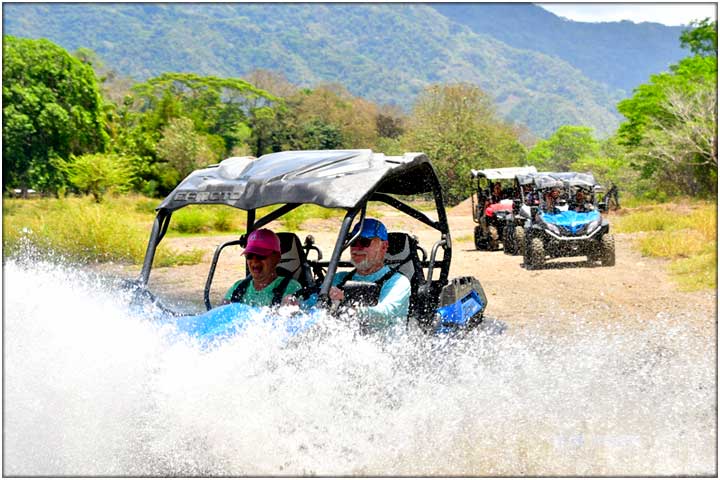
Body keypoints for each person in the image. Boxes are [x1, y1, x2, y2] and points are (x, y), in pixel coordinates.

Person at [289, 218, 411, 332]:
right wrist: (296, 304)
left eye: (364, 242)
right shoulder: (339, 278)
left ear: (384, 246)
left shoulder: (398, 282)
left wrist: (346, 301)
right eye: (353, 242)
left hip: (384, 349)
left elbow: (385, 315)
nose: (356, 248)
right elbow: (314, 303)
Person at [223, 228, 302, 307]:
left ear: (277, 258)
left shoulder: (291, 288)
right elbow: (221, 313)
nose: (254, 261)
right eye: (249, 256)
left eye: (261, 255)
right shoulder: (238, 287)